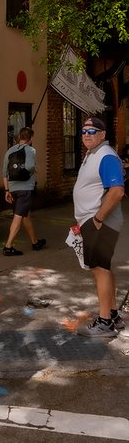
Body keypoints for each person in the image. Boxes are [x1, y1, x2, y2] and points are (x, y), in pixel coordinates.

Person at [73, 115, 125, 337]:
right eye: (84, 131)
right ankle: (112, 314)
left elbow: (117, 191)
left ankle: (105, 323)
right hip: (92, 222)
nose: (87, 134)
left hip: (100, 223)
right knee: (104, 267)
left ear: (103, 134)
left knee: (99, 269)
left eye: (92, 131)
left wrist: (98, 219)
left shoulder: (106, 156)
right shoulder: (93, 154)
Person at [1, 126, 46, 255]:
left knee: (25, 215)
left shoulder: (9, 151)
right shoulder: (30, 150)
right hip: (25, 189)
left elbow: (4, 173)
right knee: (18, 217)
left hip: (13, 187)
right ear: (30, 138)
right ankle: (8, 246)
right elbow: (30, 166)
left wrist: (6, 190)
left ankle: (35, 242)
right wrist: (34, 170)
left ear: (20, 137)